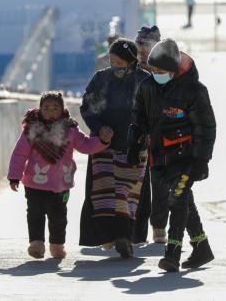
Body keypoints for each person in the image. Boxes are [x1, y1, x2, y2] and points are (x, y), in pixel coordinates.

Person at [127, 39, 216, 272]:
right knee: (183, 200)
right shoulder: (147, 87)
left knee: (176, 199)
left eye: (161, 71)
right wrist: (133, 144)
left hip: (186, 156)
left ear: (173, 69)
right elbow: (138, 118)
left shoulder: (194, 90)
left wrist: (201, 160)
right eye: (153, 70)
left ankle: (172, 254)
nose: (156, 74)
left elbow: (206, 127)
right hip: (159, 155)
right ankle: (201, 247)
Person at [8, 92, 113, 259]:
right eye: (46, 108)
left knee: (59, 217)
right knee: (35, 214)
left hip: (61, 184)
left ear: (63, 110)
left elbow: (85, 145)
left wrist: (102, 141)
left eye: (55, 108)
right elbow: (20, 154)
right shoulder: (32, 130)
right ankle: (36, 244)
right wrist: (14, 176)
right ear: (40, 110)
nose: (51, 111)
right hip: (34, 184)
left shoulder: (71, 130)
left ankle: (57, 245)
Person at [79, 38, 150, 258]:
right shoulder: (100, 79)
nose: (114, 66)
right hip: (104, 147)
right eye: (112, 61)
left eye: (119, 62)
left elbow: (153, 111)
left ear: (131, 61)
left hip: (134, 147)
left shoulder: (145, 81)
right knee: (105, 194)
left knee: (126, 193)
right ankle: (115, 237)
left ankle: (125, 236)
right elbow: (87, 107)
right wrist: (99, 128)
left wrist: (143, 132)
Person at [133, 25, 166, 245]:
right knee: (139, 185)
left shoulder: (167, 70)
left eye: (148, 45)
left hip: (162, 136)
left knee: (161, 184)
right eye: (140, 45)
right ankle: (138, 231)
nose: (144, 50)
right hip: (138, 136)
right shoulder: (130, 71)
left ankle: (159, 227)